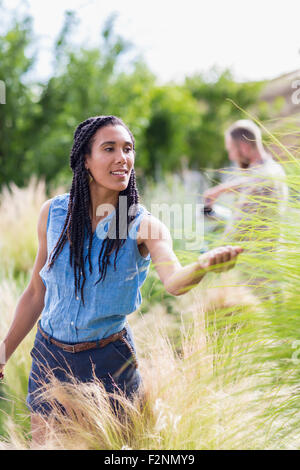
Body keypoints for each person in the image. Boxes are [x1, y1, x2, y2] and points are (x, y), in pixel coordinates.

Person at [0, 115, 243, 446]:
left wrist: (202, 266)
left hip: (109, 363)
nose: (122, 158)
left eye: (128, 149)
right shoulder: (54, 214)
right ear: (85, 159)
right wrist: (4, 349)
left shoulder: (144, 225)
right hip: (50, 357)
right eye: (109, 148)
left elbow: (174, 281)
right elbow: (35, 293)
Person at [203, 119, 288, 241]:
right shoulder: (275, 169)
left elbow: (234, 233)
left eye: (231, 150)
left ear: (244, 147)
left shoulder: (259, 182)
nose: (230, 156)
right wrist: (221, 189)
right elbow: (252, 179)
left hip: (254, 256)